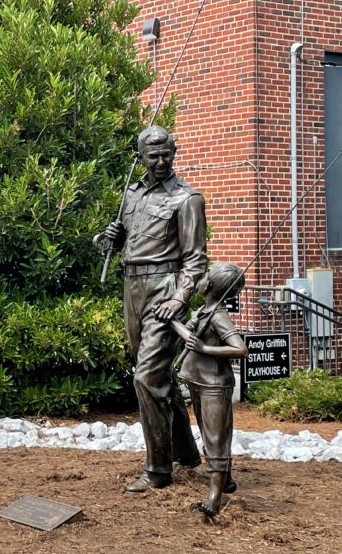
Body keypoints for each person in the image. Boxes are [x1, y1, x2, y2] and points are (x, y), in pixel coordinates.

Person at [94, 125, 205, 492]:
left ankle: (158, 470)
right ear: (140, 156)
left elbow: (195, 260)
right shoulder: (131, 193)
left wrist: (179, 298)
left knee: (146, 377)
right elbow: (123, 241)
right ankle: (186, 452)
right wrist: (104, 239)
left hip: (164, 290)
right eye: (152, 155)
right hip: (132, 288)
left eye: (166, 154)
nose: (160, 161)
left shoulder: (187, 199)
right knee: (160, 378)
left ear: (174, 151)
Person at [175, 262, 247, 516]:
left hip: (214, 384)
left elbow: (240, 349)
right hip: (197, 379)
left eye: (206, 275)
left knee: (216, 439)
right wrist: (171, 320)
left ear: (211, 286)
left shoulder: (218, 317)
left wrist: (206, 349)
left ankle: (214, 499)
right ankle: (225, 479)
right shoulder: (205, 311)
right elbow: (189, 334)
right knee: (208, 435)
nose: (201, 277)